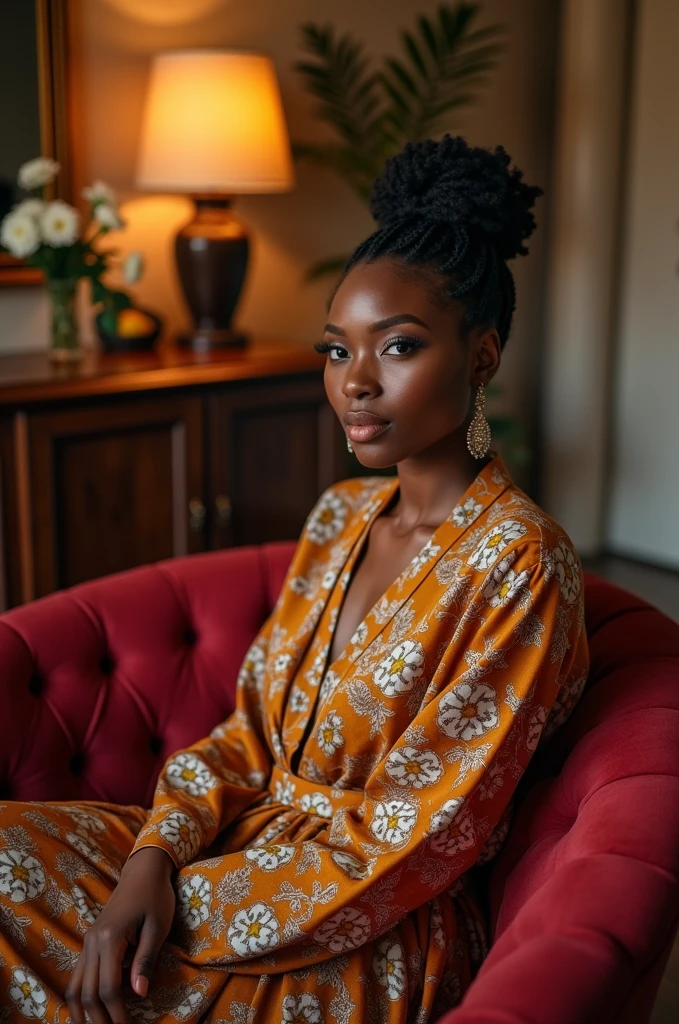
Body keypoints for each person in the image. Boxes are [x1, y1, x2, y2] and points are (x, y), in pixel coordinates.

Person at [0, 135, 589, 1024]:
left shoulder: (520, 564)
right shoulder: (339, 517)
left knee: (110, 974)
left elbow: (421, 839)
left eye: (396, 348)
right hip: (229, 852)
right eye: (336, 349)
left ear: (482, 355)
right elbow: (246, 739)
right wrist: (152, 863)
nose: (355, 384)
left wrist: (179, 913)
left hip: (371, 930)